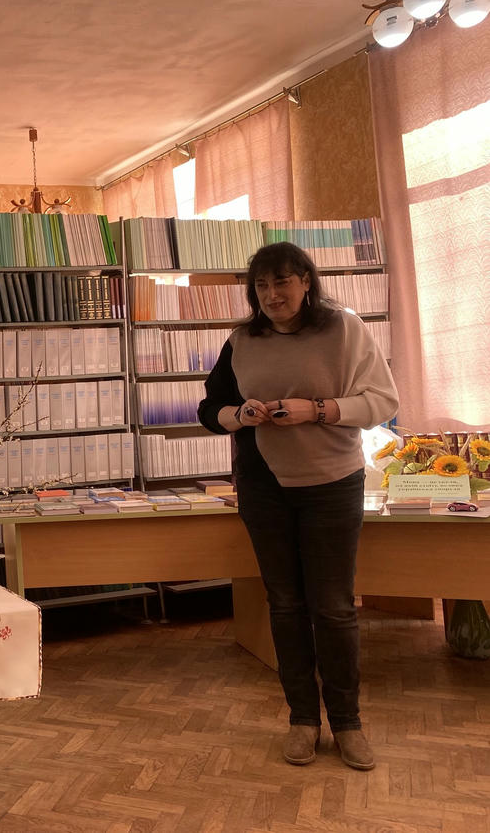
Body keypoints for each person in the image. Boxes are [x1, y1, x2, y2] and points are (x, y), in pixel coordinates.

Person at [197, 241, 398, 772]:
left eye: (282, 282)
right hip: (263, 486)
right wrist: (240, 415)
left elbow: (383, 400)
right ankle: (302, 720)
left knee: (333, 607)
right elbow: (210, 408)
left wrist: (320, 410)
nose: (272, 295)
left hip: (332, 482)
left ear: (306, 281)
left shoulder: (344, 328)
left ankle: (348, 723)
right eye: (261, 285)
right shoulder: (242, 340)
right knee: (285, 605)